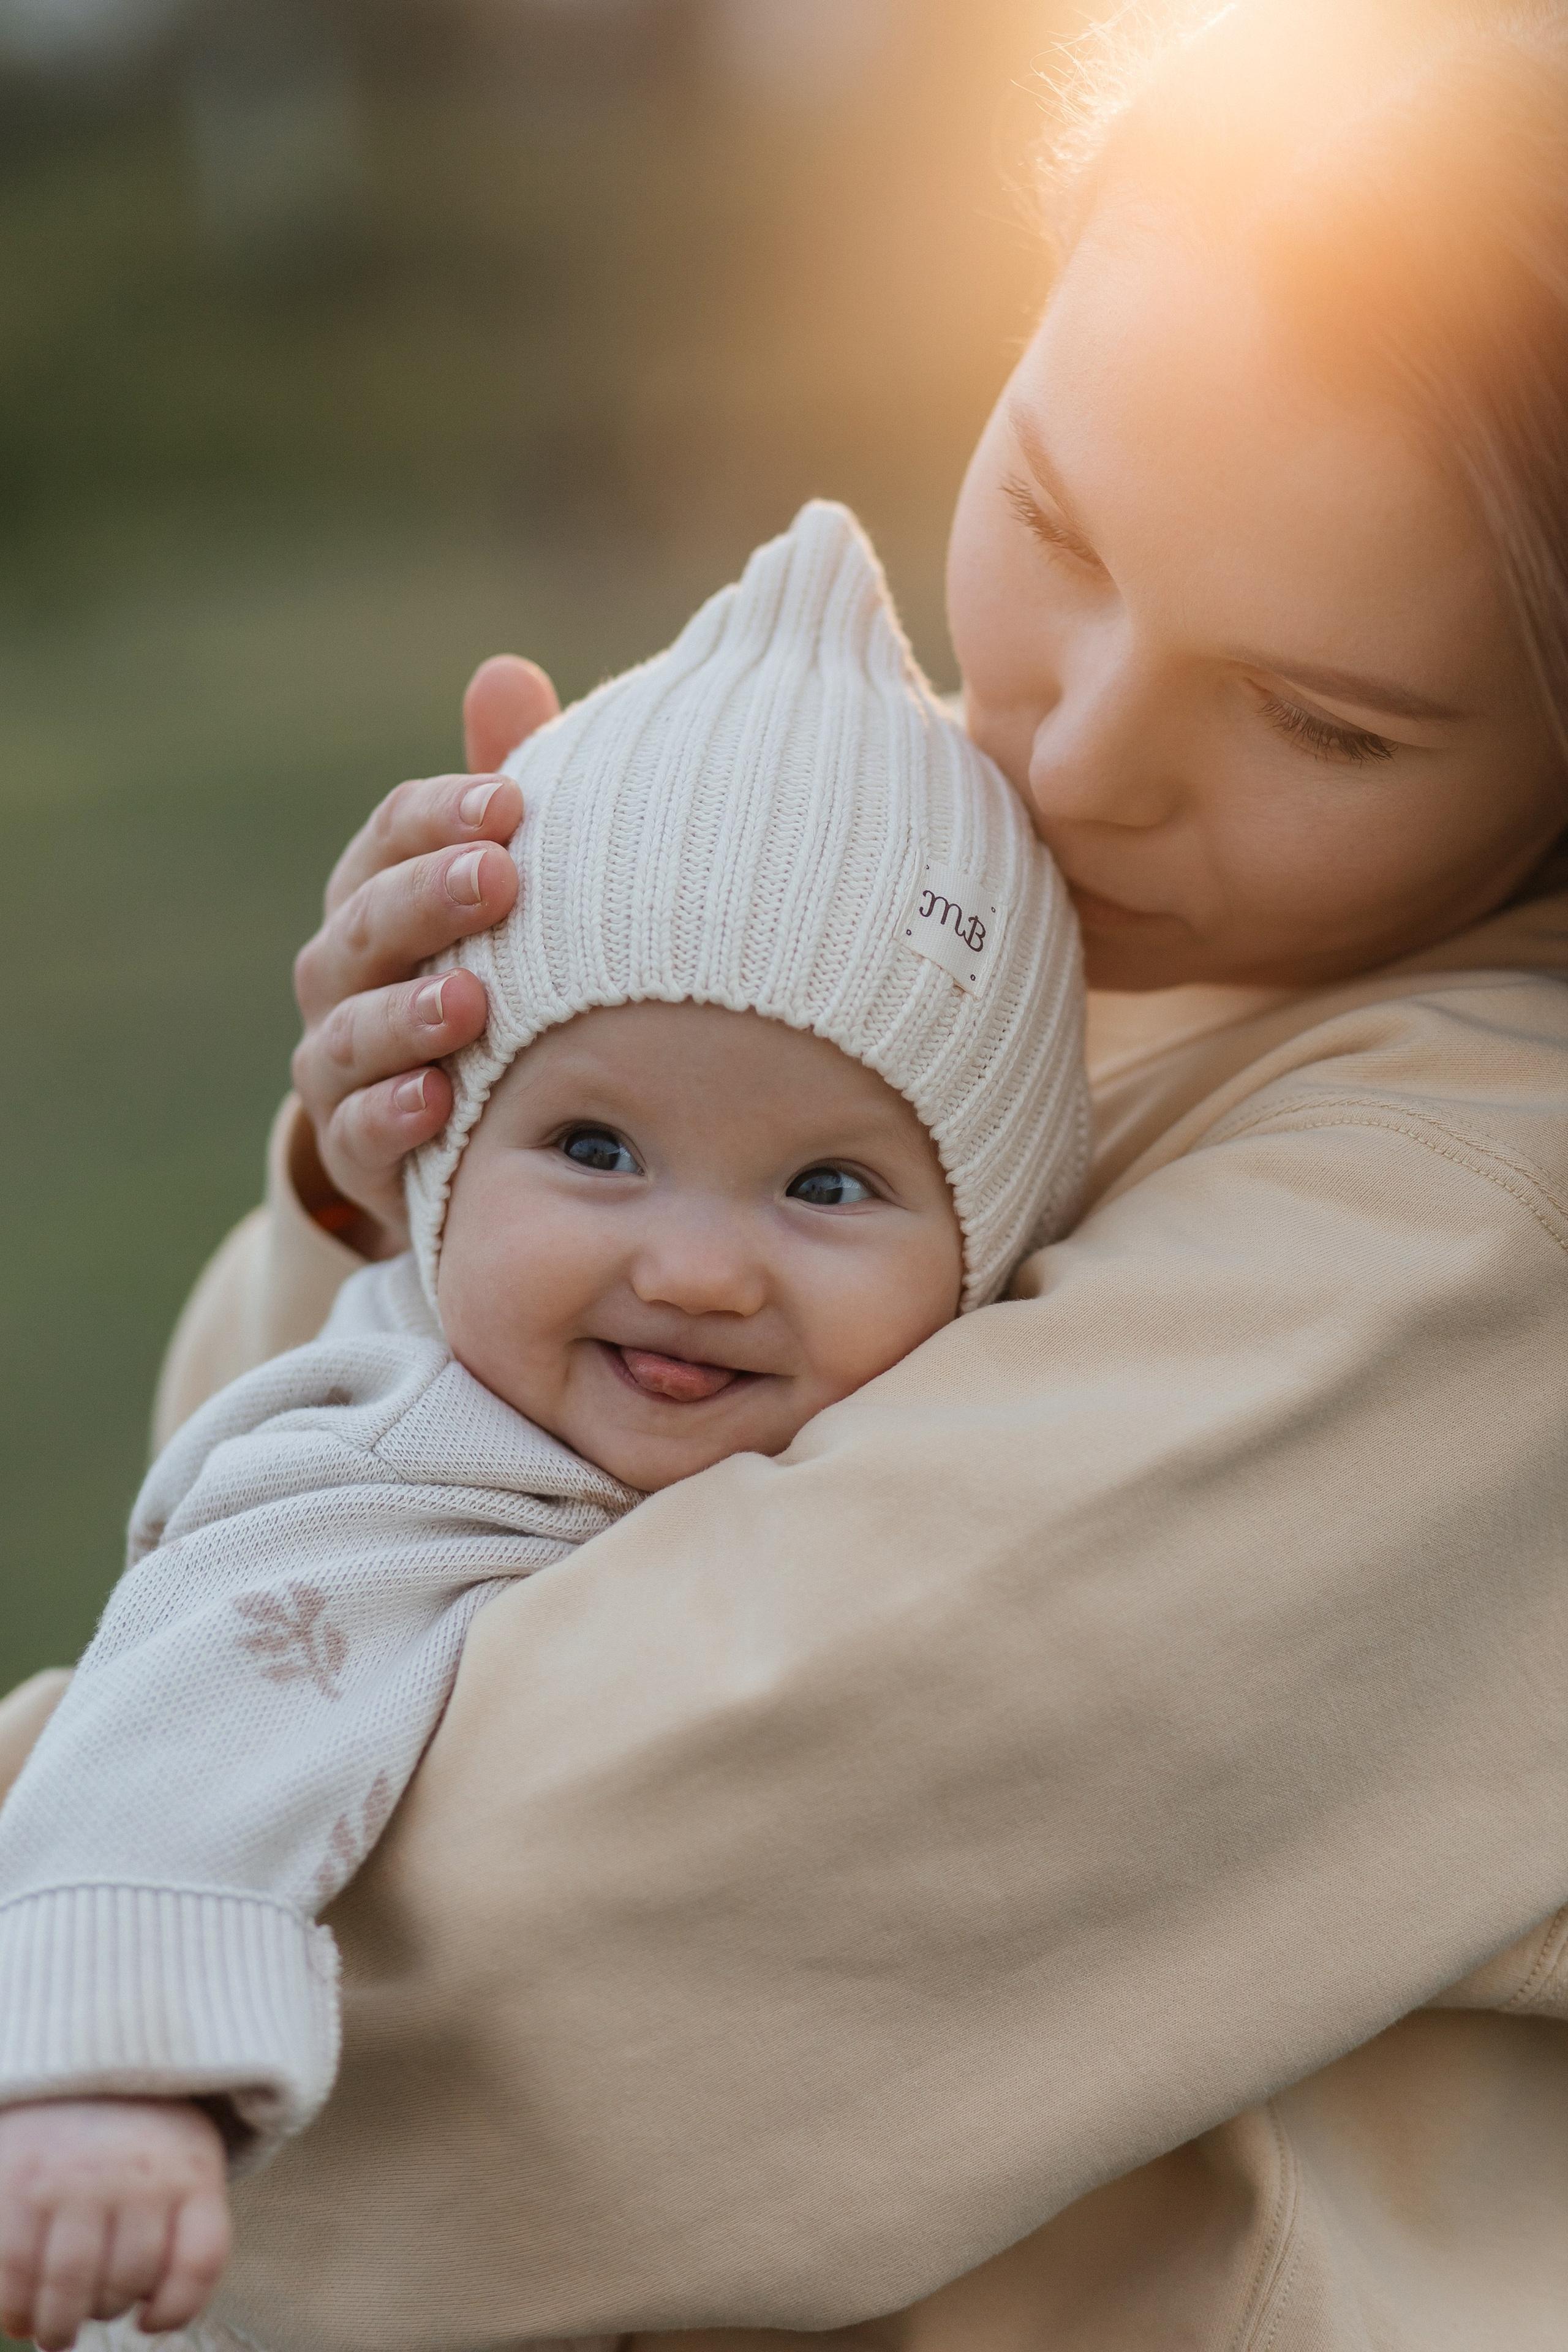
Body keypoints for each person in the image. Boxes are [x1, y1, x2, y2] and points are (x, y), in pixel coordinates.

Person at [4, 0, 1566, 2343]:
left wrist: (87, 1956)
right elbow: (255, 1511)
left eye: (1324, 720)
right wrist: (402, 1163)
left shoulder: (1485, 1220)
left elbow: (544, 1930)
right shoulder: (910, 877)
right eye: (1054, 520)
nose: (1077, 752)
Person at [0, 504, 1087, 2352]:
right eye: (594, 1148)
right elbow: (195, 1706)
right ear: (439, 1147)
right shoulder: (406, 1457)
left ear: (993, 1249)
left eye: (827, 1186)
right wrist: (111, 2070)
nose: (696, 1269)